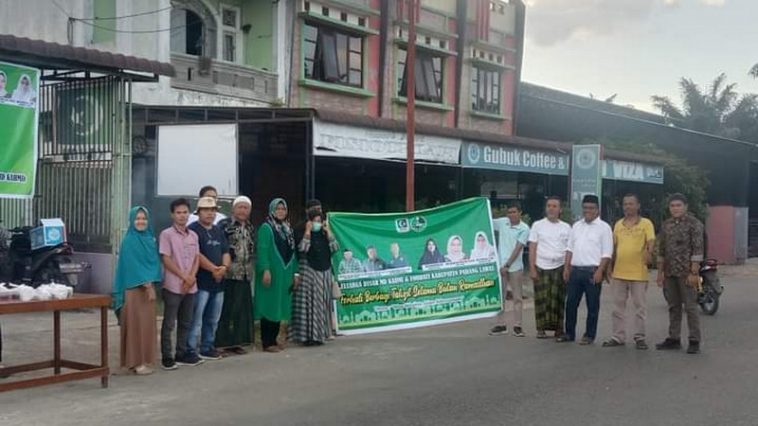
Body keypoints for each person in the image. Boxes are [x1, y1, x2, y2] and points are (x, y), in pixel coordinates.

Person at [112, 206, 162, 375]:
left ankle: (144, 360)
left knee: (147, 326)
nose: (141, 222)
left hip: (147, 288)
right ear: (132, 221)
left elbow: (154, 263)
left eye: (144, 218)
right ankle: (136, 362)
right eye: (137, 219)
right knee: (135, 326)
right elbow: (132, 266)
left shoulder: (149, 239)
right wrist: (147, 284)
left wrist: (150, 283)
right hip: (134, 289)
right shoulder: (129, 241)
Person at [602, 194, 656, 350]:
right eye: (625, 204)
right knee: (617, 308)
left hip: (638, 273)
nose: (627, 207)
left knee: (640, 307)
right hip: (619, 273)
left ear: (638, 206)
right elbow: (613, 247)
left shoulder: (646, 223)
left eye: (631, 204)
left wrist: (649, 252)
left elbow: (651, 241)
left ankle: (640, 337)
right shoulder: (618, 224)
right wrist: (608, 267)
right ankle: (618, 337)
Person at [560, 195, 613, 345]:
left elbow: (607, 253)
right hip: (575, 271)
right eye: (585, 208)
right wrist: (566, 268)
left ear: (597, 210)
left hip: (592, 272)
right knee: (570, 304)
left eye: (591, 208)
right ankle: (569, 333)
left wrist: (600, 271)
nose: (588, 211)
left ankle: (589, 335)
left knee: (592, 306)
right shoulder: (576, 226)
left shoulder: (604, 228)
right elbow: (569, 249)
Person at [655, 193, 705, 354]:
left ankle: (694, 340)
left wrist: (694, 271)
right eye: (672, 206)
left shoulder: (694, 224)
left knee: (690, 307)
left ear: (685, 207)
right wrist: (660, 272)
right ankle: (674, 338)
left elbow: (698, 249)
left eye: (678, 205)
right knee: (673, 307)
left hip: (687, 272)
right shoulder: (666, 225)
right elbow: (661, 250)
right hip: (670, 272)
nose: (675, 208)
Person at [159, 198, 201, 370]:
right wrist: (183, 276)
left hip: (190, 286)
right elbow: (166, 258)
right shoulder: (166, 234)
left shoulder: (193, 235)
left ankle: (181, 353)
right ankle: (167, 356)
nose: (182, 216)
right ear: (172, 215)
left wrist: (191, 277)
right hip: (173, 285)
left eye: (185, 212)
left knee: (186, 321)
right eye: (178, 212)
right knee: (169, 323)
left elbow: (196, 258)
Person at [187, 197, 231, 361]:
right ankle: (190, 348)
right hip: (201, 281)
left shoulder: (218, 230)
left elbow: (226, 252)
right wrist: (213, 269)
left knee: (213, 319)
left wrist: (224, 268)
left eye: (213, 210)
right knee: (196, 318)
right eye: (206, 210)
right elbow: (195, 254)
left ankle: (207, 347)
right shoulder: (192, 230)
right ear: (199, 212)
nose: (210, 213)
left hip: (218, 282)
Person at [255, 198, 299, 353]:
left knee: (279, 304)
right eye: (278, 209)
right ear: (272, 210)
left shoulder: (287, 229)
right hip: (271, 273)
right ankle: (266, 342)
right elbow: (262, 249)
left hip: (285, 273)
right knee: (269, 304)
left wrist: (295, 273)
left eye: (283, 209)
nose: (280, 211)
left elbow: (293, 254)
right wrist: (265, 269)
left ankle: (273, 339)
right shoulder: (266, 228)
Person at [290, 210, 339, 346]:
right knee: (308, 306)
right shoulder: (302, 232)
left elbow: (335, 248)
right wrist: (307, 232)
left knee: (321, 305)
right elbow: (302, 249)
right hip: (309, 274)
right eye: (314, 221)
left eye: (319, 221)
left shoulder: (324, 235)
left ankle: (319, 335)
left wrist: (328, 231)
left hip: (324, 273)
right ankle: (306, 337)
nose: (317, 224)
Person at [215, 196, 255, 355]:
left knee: (240, 310)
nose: (243, 211)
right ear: (233, 209)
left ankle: (237, 342)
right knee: (226, 309)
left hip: (245, 274)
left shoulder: (251, 227)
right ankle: (221, 343)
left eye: (246, 208)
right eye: (240, 207)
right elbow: (219, 249)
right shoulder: (224, 225)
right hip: (229, 274)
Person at [528, 196, 571, 339]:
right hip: (541, 266)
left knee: (558, 299)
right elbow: (532, 247)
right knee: (542, 299)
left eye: (554, 206)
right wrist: (532, 268)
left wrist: (567, 268)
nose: (551, 209)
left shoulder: (566, 227)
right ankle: (541, 329)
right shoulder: (537, 225)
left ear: (560, 209)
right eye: (549, 206)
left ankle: (559, 328)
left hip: (559, 266)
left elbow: (569, 250)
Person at [489, 203, 530, 337]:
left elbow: (518, 248)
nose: (511, 215)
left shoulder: (524, 228)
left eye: (514, 212)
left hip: (515, 267)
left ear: (520, 213)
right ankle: (501, 324)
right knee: (501, 297)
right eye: (509, 212)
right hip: (501, 267)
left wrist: (507, 265)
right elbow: (487, 220)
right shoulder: (503, 222)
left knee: (517, 297)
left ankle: (517, 325)